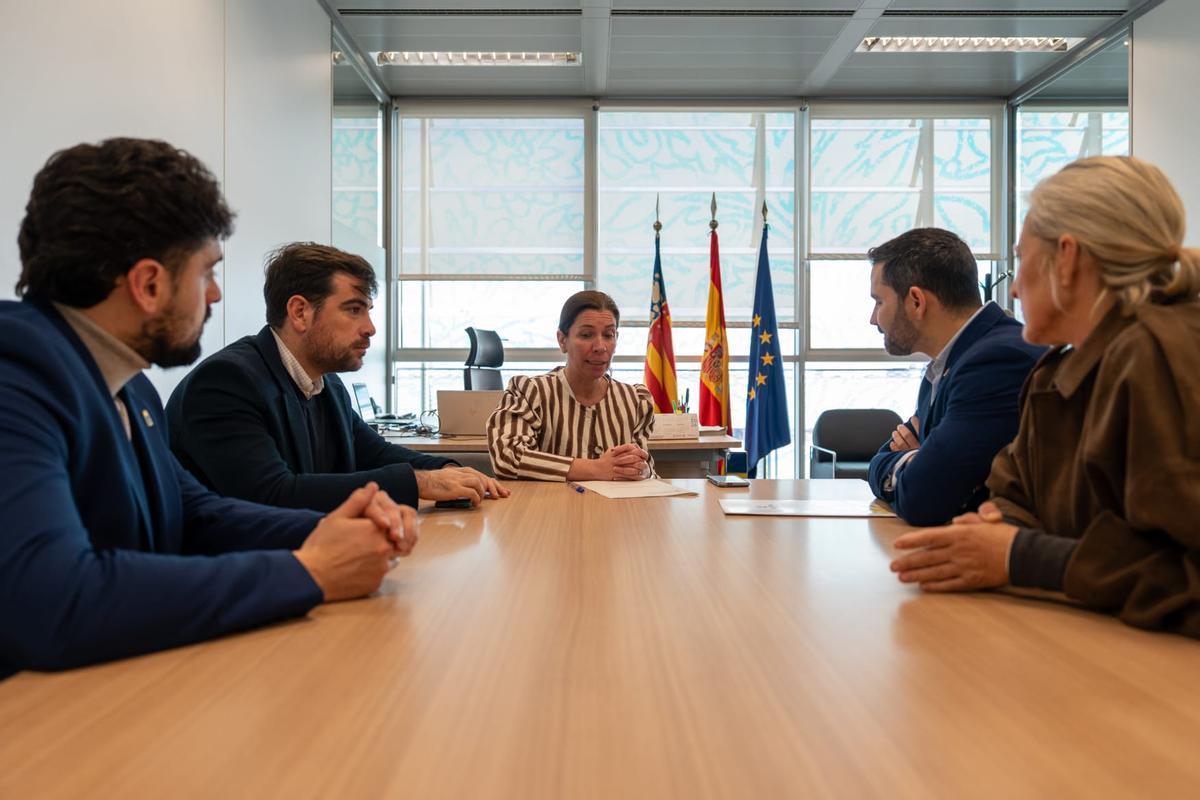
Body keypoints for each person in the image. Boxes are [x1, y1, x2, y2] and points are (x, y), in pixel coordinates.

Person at [0, 138, 417, 678]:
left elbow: (196, 515)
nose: (216, 296)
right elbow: (53, 599)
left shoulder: (128, 386)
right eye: (206, 273)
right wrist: (307, 571)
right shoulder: (17, 372)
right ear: (149, 284)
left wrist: (328, 529)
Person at [890, 156, 1200, 637]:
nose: (1012, 285)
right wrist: (996, 528)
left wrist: (1017, 555)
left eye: (1020, 259)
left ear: (1068, 259)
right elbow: (1014, 496)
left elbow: (1184, 567)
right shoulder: (1055, 373)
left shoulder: (1158, 355)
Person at [167, 243, 508, 511]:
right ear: (300, 312)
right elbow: (272, 494)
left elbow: (374, 453)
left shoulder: (326, 383)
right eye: (353, 309)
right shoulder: (227, 382)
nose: (371, 329)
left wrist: (447, 468)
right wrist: (420, 484)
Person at [865, 228, 1045, 525]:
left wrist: (922, 464)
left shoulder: (996, 363)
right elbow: (879, 461)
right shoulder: (946, 365)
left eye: (879, 302)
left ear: (916, 301)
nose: (873, 318)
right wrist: (918, 461)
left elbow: (925, 497)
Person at [487, 290, 654, 481]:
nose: (600, 347)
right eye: (586, 335)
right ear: (562, 340)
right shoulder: (530, 392)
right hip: (547, 508)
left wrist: (642, 470)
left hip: (616, 510)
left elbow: (646, 467)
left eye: (609, 335)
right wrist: (596, 469)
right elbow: (507, 457)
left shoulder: (635, 400)